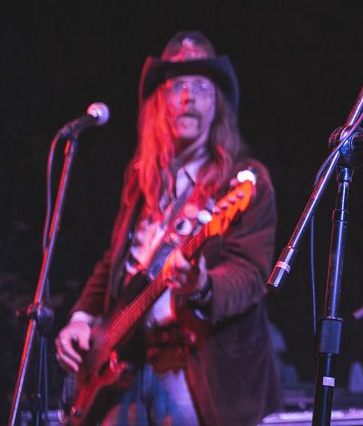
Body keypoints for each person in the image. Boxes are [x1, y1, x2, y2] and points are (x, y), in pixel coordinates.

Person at [55, 31, 283, 426]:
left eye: (201, 87)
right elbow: (115, 264)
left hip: (197, 368)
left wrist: (202, 285)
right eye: (177, 86)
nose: (189, 97)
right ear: (159, 102)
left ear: (217, 104)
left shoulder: (244, 181)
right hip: (124, 366)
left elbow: (250, 274)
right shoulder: (142, 180)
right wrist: (81, 319)